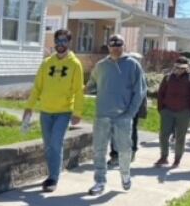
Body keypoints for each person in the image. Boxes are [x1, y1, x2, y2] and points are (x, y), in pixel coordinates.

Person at [23, 29, 84, 193]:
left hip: (63, 112)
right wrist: (29, 107)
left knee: (56, 143)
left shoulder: (75, 64)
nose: (60, 45)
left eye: (64, 41)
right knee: (48, 145)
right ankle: (52, 172)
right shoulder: (47, 63)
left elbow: (79, 90)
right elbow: (37, 87)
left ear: (69, 43)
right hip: (46, 112)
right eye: (58, 41)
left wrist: (77, 112)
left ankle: (53, 178)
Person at [86, 34, 146, 195]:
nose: (116, 48)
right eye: (113, 45)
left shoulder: (133, 65)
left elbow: (140, 91)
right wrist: (83, 89)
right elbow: (92, 84)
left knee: (125, 150)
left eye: (119, 45)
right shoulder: (101, 66)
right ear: (109, 46)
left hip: (123, 117)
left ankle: (125, 176)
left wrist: (130, 113)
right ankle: (99, 181)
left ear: (124, 46)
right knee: (99, 149)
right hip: (102, 115)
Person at [155, 57, 190, 167]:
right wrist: (161, 109)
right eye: (177, 67)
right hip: (167, 111)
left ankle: (177, 159)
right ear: (174, 66)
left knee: (180, 137)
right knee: (163, 135)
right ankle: (164, 156)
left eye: (182, 68)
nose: (179, 70)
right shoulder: (167, 78)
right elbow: (161, 93)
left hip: (184, 112)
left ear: (187, 68)